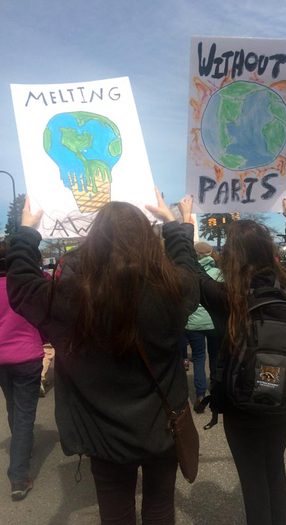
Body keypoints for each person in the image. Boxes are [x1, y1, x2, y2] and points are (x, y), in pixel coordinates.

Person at [6, 193, 199, 525]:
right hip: (162, 427)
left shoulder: (73, 298)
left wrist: (27, 232)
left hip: (104, 436)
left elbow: (22, 286)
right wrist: (174, 225)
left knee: (116, 513)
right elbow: (189, 270)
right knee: (159, 506)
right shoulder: (173, 291)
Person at [184, 198, 286, 525]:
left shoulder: (227, 297)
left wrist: (186, 225)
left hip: (241, 405)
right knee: (274, 469)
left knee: (253, 478)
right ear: (268, 251)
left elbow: (189, 270)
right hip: (284, 398)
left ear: (231, 256)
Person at [0, 240, 44, 501]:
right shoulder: (25, 286)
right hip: (26, 355)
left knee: (12, 405)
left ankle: (21, 449)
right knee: (25, 413)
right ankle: (18, 475)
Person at [180, 241, 222, 413]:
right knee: (215, 357)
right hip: (213, 322)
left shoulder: (188, 274)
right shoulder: (219, 273)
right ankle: (216, 391)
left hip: (193, 323)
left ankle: (199, 395)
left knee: (198, 358)